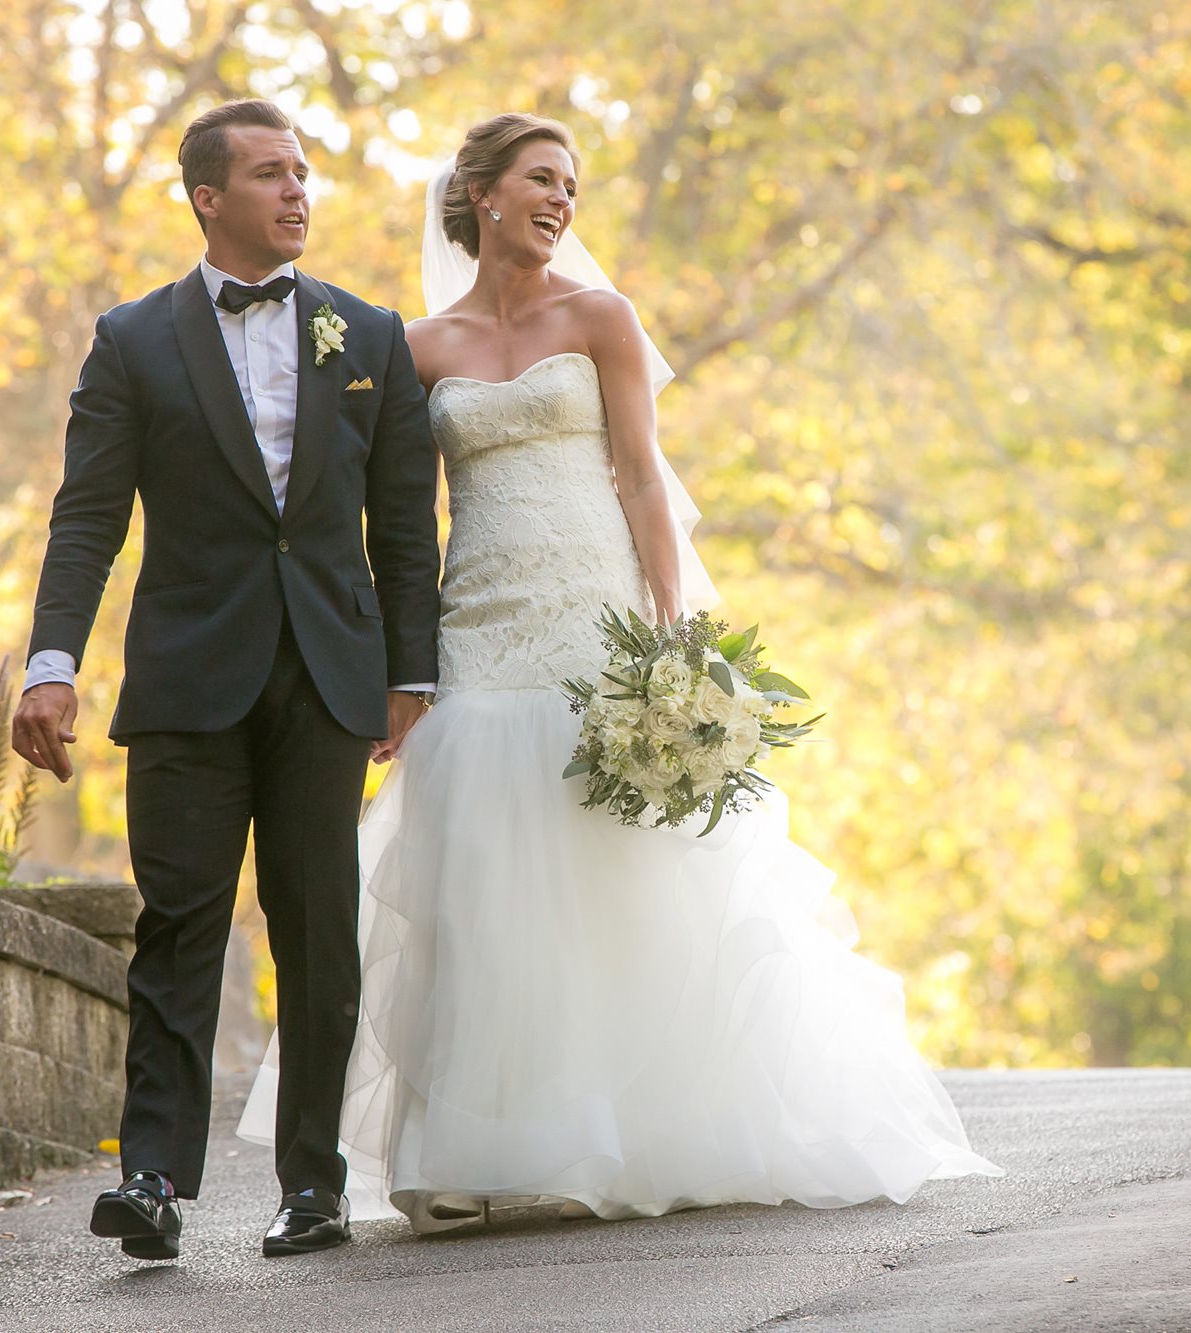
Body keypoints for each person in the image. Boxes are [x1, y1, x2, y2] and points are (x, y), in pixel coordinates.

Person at [240, 112, 999, 1233]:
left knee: (619, 870)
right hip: (478, 627)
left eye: (571, 187)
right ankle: (487, 1145)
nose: (560, 201)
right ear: (483, 195)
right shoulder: (417, 346)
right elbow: (399, 518)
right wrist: (402, 662)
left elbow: (642, 477)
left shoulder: (602, 318)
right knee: (483, 879)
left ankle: (634, 1127)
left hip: (593, 619)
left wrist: (673, 630)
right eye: (541, 180)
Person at [12, 98, 441, 1260]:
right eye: (269, 174)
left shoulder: (369, 335)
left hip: (329, 674)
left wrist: (412, 671)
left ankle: (315, 1185)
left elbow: (405, 525)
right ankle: (151, 1178)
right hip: (186, 678)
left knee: (317, 933)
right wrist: (52, 663)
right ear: (208, 197)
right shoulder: (132, 340)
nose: (297, 191)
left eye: (302, 172)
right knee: (177, 926)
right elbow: (87, 516)